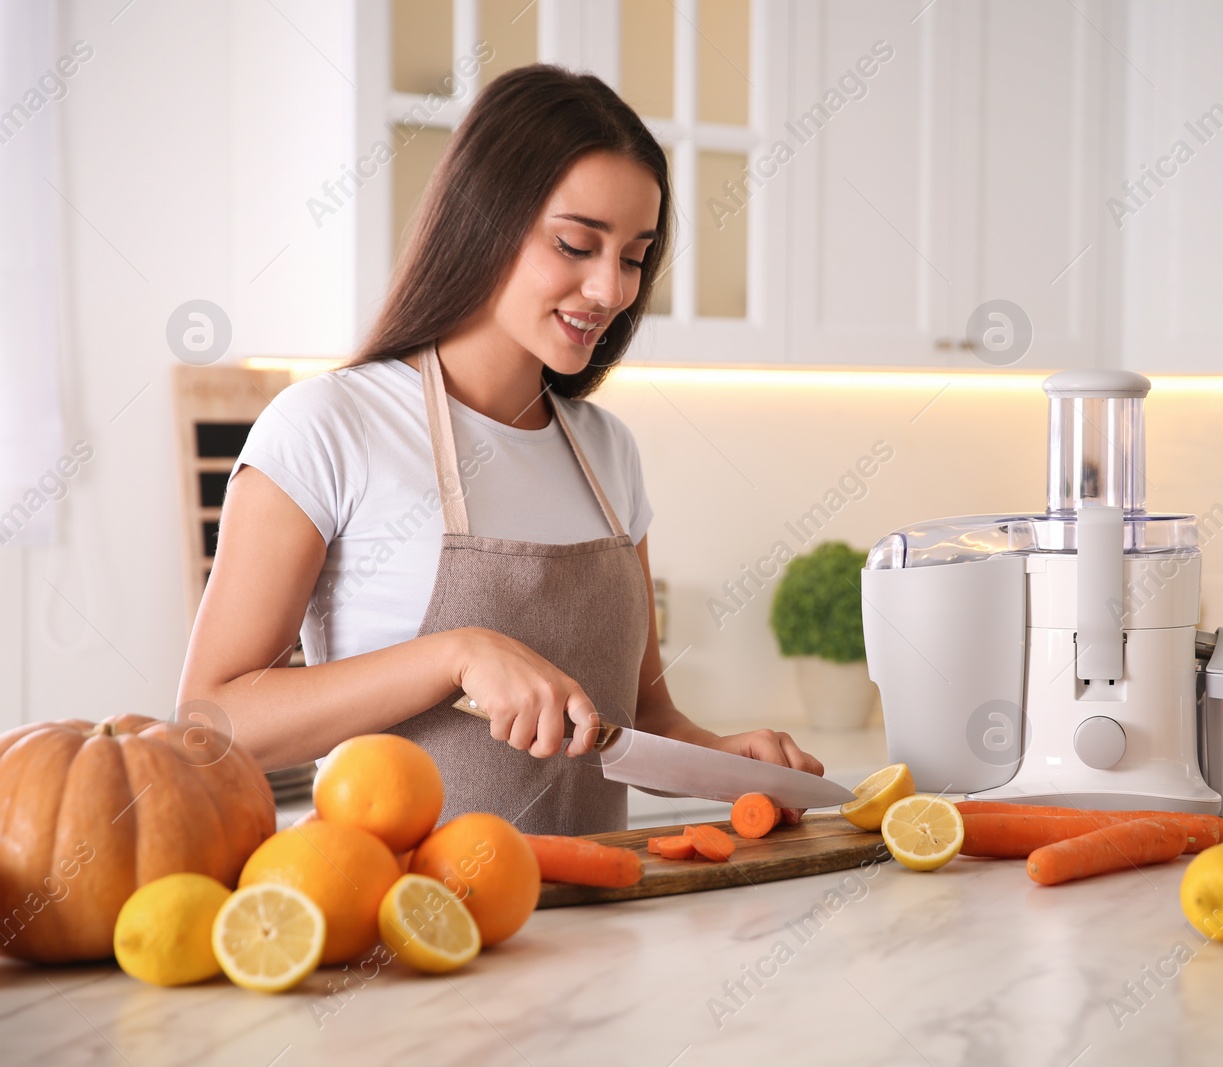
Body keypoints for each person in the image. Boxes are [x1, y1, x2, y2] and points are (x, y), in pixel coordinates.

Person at [177, 65, 824, 836]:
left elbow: (642, 718)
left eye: (633, 256)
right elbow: (209, 726)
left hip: (600, 930)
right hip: (409, 932)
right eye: (577, 244)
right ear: (485, 219)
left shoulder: (607, 452)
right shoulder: (329, 425)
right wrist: (455, 654)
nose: (610, 290)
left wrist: (724, 755)